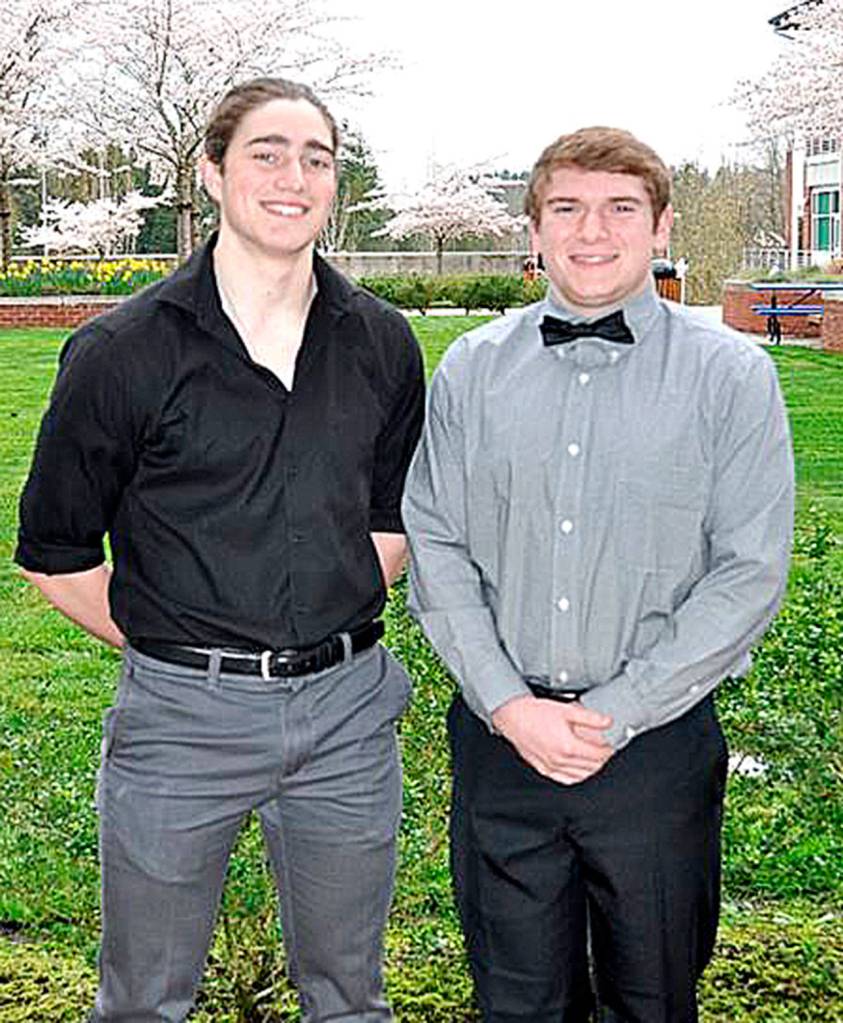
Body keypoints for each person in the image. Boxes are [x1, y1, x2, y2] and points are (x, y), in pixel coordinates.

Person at [15, 77, 424, 1022]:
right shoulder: (123, 350)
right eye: (266, 154)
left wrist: (323, 623)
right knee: (144, 1003)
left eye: (315, 159)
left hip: (347, 719)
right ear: (211, 175)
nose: (293, 177)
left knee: (352, 998)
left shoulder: (382, 343)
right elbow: (56, 553)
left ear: (335, 183)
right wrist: (186, 650)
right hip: (179, 722)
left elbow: (390, 515)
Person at [402, 126, 794, 1023]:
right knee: (514, 1001)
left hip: (654, 751)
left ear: (659, 228)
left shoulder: (731, 376)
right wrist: (507, 704)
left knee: (652, 996)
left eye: (620, 208)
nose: (591, 231)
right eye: (566, 208)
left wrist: (612, 714)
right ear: (532, 230)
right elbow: (435, 541)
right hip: (502, 745)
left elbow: (746, 571)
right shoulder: (470, 370)